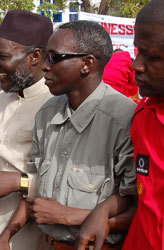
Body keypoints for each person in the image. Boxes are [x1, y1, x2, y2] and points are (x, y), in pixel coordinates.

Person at [6, 20, 136, 250]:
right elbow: (35, 185)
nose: (45, 66)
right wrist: (5, 236)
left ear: (87, 63)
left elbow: (136, 204)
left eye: (54, 57)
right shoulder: (47, 113)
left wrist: (70, 216)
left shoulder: (124, 119)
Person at [77, 1, 164, 249]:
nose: (136, 65)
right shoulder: (143, 118)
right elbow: (142, 201)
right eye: (138, 51)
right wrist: (104, 211)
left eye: (152, 56)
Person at [0, 10, 53, 250]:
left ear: (34, 56)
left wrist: (21, 182)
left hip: (32, 233)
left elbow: (63, 180)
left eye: (2, 57)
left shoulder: (57, 106)